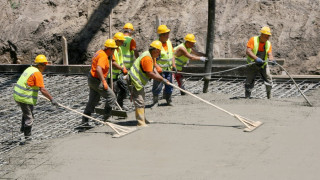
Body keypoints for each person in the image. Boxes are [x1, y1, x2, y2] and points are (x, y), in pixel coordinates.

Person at [13, 54, 58, 144]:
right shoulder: (37, 73)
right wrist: (52, 99)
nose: (45, 67)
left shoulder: (30, 69)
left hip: (19, 95)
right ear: (40, 65)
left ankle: (23, 128)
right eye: (44, 65)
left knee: (27, 113)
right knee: (29, 118)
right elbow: (43, 90)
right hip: (24, 97)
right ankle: (27, 139)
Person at [127, 40, 168, 126]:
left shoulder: (151, 56)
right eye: (159, 51)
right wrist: (162, 79)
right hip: (135, 81)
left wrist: (161, 78)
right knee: (140, 101)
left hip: (138, 82)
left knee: (142, 100)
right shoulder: (147, 58)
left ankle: (143, 119)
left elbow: (154, 69)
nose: (159, 53)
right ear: (156, 50)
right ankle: (141, 122)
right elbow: (150, 73)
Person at [82, 39, 118, 126]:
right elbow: (98, 69)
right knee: (111, 96)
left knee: (93, 100)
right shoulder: (103, 56)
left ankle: (85, 119)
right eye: (113, 49)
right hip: (96, 80)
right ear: (109, 49)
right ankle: (107, 117)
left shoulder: (100, 52)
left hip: (92, 79)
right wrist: (104, 81)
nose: (114, 51)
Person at [245, 26, 276, 99]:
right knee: (249, 81)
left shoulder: (268, 43)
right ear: (262, 35)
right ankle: (247, 97)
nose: (268, 38)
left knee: (268, 79)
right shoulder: (253, 40)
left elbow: (269, 53)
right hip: (252, 64)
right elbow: (248, 51)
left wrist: (272, 59)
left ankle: (269, 97)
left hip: (263, 65)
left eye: (269, 36)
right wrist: (256, 58)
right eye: (267, 36)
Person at [152, 25, 176, 105]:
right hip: (159, 70)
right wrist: (157, 67)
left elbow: (172, 54)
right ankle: (155, 101)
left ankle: (168, 100)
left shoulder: (169, 42)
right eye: (166, 34)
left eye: (168, 33)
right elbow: (152, 59)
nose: (168, 35)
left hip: (168, 69)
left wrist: (174, 65)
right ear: (161, 35)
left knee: (169, 85)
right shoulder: (156, 45)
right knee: (158, 86)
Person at [109, 32, 128, 110]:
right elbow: (113, 62)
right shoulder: (112, 49)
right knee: (113, 93)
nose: (123, 42)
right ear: (116, 41)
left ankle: (120, 104)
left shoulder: (119, 48)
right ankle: (112, 108)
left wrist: (124, 68)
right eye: (121, 41)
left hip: (119, 75)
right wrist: (122, 68)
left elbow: (121, 61)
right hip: (112, 76)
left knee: (124, 89)